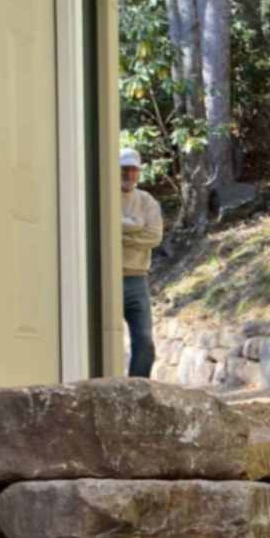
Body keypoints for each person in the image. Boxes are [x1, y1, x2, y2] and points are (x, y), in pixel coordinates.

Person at [120, 147, 164, 378]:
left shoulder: (147, 201)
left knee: (145, 341)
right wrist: (136, 229)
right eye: (124, 170)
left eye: (133, 171)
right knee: (100, 339)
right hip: (106, 277)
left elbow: (154, 237)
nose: (129, 175)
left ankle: (136, 388)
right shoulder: (105, 197)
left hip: (137, 278)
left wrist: (120, 234)